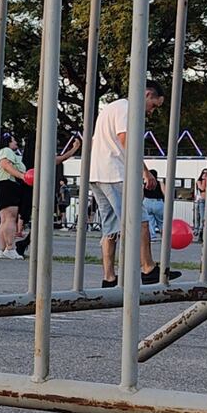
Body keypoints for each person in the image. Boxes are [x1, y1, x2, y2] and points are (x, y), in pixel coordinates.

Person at [88, 80, 179, 287]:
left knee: (110, 227)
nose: (152, 112)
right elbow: (126, 141)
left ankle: (109, 277)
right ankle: (148, 268)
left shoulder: (111, 107)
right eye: (154, 105)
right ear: (147, 94)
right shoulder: (127, 108)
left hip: (98, 172)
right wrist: (145, 172)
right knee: (141, 220)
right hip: (116, 173)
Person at [0, 133, 27, 260]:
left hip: (3, 185)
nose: (16, 143)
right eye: (14, 141)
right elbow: (6, 165)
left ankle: (3, 249)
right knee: (10, 218)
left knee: (4, 219)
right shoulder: (7, 151)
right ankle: (10, 247)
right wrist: (21, 176)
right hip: (8, 184)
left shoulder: (4, 151)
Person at [143, 168, 165, 241]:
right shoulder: (159, 183)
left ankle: (152, 236)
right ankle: (164, 236)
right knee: (161, 221)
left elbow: (142, 194)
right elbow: (165, 192)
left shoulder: (145, 183)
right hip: (158, 202)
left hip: (147, 202)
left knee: (150, 221)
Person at [194, 169, 207, 240]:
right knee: (201, 217)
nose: (205, 174)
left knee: (206, 217)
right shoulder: (199, 181)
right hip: (202, 200)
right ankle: (200, 232)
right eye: (204, 173)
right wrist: (204, 180)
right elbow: (202, 188)